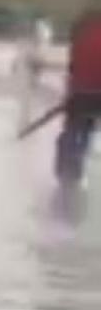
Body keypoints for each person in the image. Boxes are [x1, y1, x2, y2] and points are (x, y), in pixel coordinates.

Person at [57, 11, 101, 184]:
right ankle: (78, 160)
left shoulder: (82, 36)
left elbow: (73, 67)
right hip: (97, 94)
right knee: (87, 127)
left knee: (73, 127)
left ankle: (67, 167)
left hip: (80, 91)